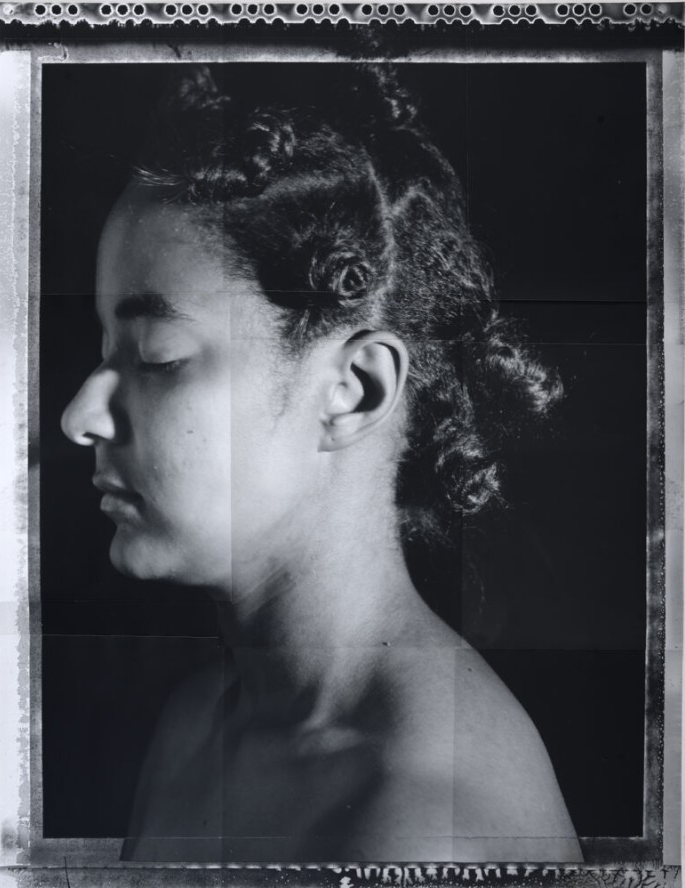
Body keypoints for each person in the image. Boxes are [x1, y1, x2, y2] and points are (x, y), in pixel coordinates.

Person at [60, 63, 581, 863]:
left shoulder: (423, 823)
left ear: (352, 390)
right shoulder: (199, 720)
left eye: (156, 356)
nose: (80, 416)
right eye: (105, 349)